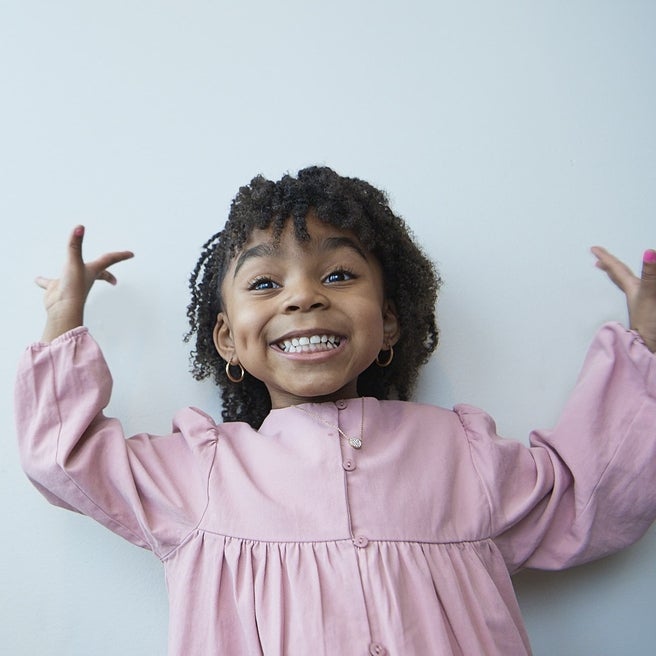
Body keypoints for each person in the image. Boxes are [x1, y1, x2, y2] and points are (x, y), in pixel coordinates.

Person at [14, 166, 656, 655]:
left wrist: (646, 346)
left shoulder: (462, 455)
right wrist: (63, 316)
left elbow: (589, 493)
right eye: (265, 283)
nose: (303, 299)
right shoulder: (202, 475)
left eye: (339, 275)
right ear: (228, 340)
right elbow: (64, 457)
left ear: (392, 321)